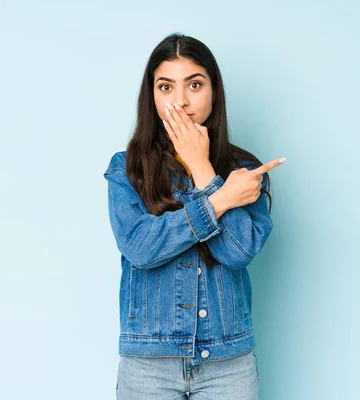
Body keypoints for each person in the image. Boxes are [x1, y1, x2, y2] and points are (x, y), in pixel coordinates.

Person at [103, 32, 285, 399]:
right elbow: (140, 248)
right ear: (151, 95)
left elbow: (238, 252)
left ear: (214, 91)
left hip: (227, 365)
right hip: (148, 365)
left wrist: (203, 169)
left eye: (195, 84)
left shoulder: (242, 171)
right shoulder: (127, 169)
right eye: (166, 87)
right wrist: (218, 201)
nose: (181, 101)